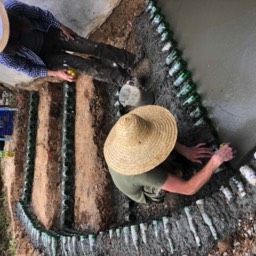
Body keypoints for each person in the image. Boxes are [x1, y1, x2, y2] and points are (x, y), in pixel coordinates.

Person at [103, 105, 234, 205]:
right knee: (177, 172)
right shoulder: (144, 173)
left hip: (133, 169)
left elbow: (160, 134)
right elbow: (188, 188)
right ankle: (172, 174)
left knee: (164, 142)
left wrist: (185, 150)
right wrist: (216, 161)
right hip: (144, 191)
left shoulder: (128, 130)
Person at [0, 0, 141, 86]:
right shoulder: (5, 56)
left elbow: (41, 14)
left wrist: (62, 27)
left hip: (50, 33)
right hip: (45, 58)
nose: (11, 33)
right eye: (7, 36)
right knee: (86, 66)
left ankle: (131, 60)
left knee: (92, 47)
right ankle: (125, 80)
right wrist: (56, 74)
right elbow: (29, 69)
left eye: (9, 28)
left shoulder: (12, 8)